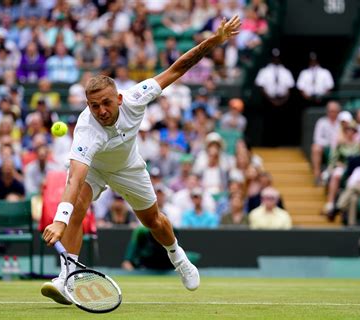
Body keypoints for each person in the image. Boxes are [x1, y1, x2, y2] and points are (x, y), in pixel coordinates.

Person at [41, 15, 241, 303]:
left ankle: (178, 257)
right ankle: (67, 279)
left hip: (128, 168)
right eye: (94, 106)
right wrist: (60, 220)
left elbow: (178, 69)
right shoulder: (87, 129)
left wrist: (216, 39)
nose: (102, 111)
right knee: (76, 209)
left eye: (107, 103)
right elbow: (75, 178)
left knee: (154, 221)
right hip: (95, 168)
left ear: (119, 99)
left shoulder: (136, 96)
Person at [311, 101, 341, 184]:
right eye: (331, 111)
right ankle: (317, 176)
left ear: (338, 112)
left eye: (335, 111)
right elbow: (317, 139)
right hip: (326, 148)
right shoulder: (321, 122)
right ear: (327, 111)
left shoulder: (342, 122)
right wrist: (330, 143)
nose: (332, 113)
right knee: (316, 148)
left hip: (339, 149)